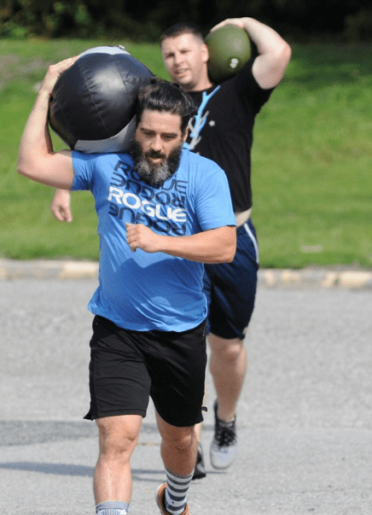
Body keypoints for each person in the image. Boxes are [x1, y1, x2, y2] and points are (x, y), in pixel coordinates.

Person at [50, 17, 291, 478]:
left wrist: (240, 23)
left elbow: (278, 53)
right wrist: (63, 186)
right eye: (169, 54)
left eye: (186, 51)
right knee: (187, 339)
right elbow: (95, 143)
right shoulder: (154, 106)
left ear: (206, 52)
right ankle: (188, 440)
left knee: (229, 345)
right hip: (168, 234)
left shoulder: (236, 92)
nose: (178, 61)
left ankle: (226, 419)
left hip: (229, 234)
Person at [18, 57, 236, 515]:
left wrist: (163, 242)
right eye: (149, 134)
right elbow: (31, 162)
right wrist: (48, 86)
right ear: (135, 126)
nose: (156, 147)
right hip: (118, 329)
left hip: (180, 331)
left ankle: (174, 505)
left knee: (179, 441)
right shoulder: (107, 165)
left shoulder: (204, 177)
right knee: (118, 438)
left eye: (168, 137)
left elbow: (224, 245)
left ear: (186, 133)